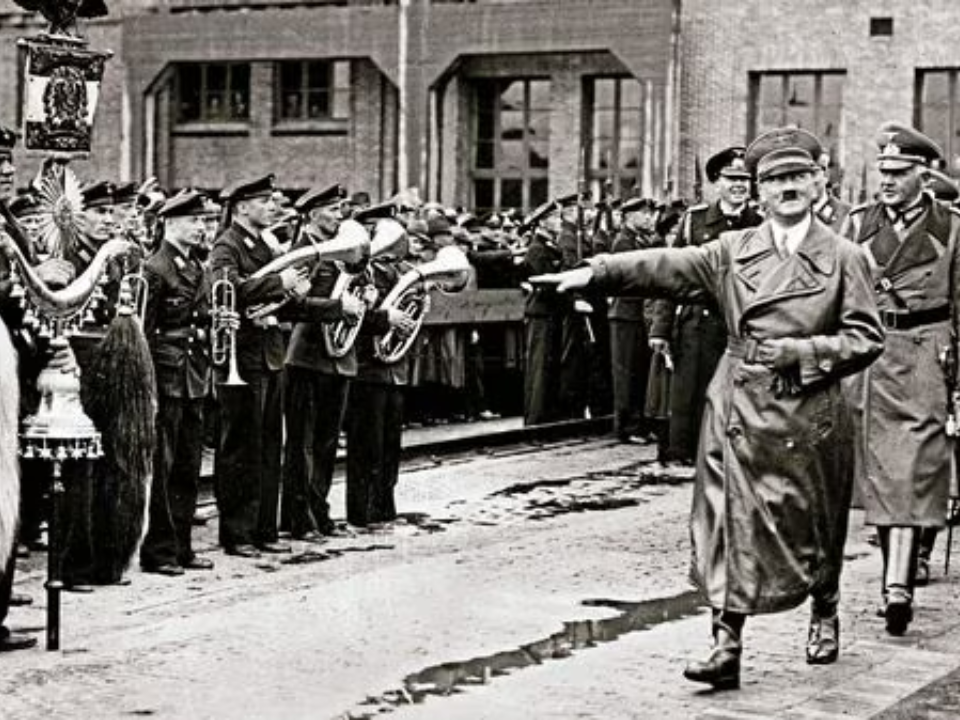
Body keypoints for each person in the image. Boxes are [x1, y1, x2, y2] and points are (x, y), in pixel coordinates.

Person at [533, 127, 884, 689]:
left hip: (806, 411)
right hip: (737, 405)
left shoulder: (844, 257)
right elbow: (665, 265)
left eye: (797, 177)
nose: (786, 189)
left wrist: (805, 352)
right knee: (725, 522)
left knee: (812, 525)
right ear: (758, 193)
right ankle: (726, 643)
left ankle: (825, 603)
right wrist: (597, 272)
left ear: (819, 184)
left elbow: (866, 338)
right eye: (773, 181)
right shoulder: (732, 251)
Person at [841, 122, 960, 635]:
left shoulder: (952, 228)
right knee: (880, 472)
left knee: (911, 466)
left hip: (926, 352)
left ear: (924, 174)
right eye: (883, 171)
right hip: (870, 353)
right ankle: (897, 570)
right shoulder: (856, 224)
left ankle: (898, 585)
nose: (886, 180)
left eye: (899, 172)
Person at [649, 147, 763, 466]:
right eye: (731, 179)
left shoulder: (760, 223)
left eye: (745, 179)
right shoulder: (694, 221)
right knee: (690, 394)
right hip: (696, 323)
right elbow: (669, 274)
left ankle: (729, 456)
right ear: (717, 182)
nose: (739, 185)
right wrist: (660, 327)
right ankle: (684, 456)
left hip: (738, 325)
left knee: (736, 394)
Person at [209, 174, 298, 558]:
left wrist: (326, 306)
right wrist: (280, 282)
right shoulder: (227, 245)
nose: (272, 207)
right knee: (242, 448)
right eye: (264, 201)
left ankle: (264, 528)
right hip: (243, 358)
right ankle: (237, 533)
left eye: (273, 200)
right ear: (242, 206)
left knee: (267, 446)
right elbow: (228, 291)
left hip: (270, 354)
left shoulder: (266, 244)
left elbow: (280, 298)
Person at [139, 190, 219, 576]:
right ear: (171, 224)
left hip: (193, 376)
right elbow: (144, 332)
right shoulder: (155, 268)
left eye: (204, 221)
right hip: (167, 376)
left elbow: (199, 320)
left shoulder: (196, 267)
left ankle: (182, 545)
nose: (202, 228)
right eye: (195, 221)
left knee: (187, 466)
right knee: (165, 467)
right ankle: (160, 551)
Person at [282, 184, 365, 540]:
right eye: (332, 210)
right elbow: (291, 306)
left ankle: (319, 510)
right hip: (307, 356)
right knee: (303, 443)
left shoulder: (339, 251)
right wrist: (337, 307)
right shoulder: (302, 252)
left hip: (337, 359)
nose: (339, 216)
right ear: (313, 213)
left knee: (327, 443)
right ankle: (300, 518)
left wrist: (364, 296)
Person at [608, 197, 660, 444]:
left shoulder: (640, 240)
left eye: (650, 214)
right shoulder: (624, 243)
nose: (650, 218)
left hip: (637, 313)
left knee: (638, 371)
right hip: (626, 313)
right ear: (630, 217)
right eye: (644, 214)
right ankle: (626, 427)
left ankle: (638, 424)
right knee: (626, 373)